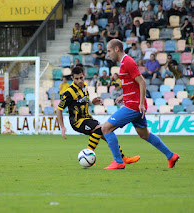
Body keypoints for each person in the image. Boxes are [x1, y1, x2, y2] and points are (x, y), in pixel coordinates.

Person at [101, 39, 179, 170]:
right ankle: (171, 155)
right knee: (144, 134)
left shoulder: (128, 62)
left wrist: (141, 103)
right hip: (134, 104)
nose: (108, 54)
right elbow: (133, 85)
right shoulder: (124, 63)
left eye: (109, 51)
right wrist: (124, 96)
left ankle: (118, 161)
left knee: (105, 129)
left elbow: (142, 82)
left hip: (133, 106)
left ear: (116, 49)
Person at [56, 66, 140, 164]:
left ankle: (123, 158)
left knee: (107, 133)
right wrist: (62, 126)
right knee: (100, 129)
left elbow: (81, 102)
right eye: (76, 79)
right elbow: (59, 109)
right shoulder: (69, 93)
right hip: (78, 122)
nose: (79, 81)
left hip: (88, 118)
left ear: (84, 76)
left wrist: (92, 102)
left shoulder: (84, 87)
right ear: (72, 78)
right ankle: (87, 156)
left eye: (81, 78)